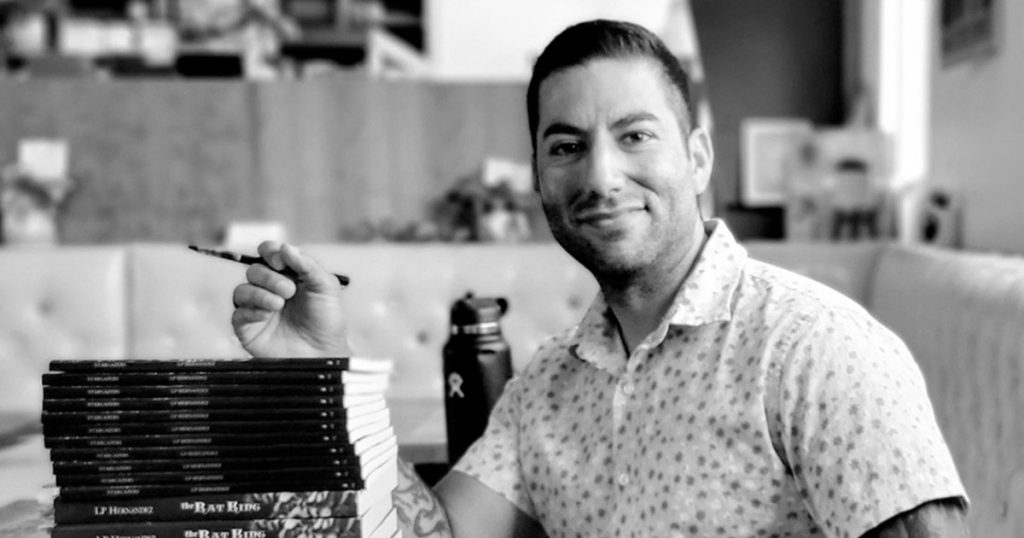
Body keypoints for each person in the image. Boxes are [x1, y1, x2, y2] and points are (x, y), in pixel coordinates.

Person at [230, 19, 969, 538]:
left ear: (699, 158)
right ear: (539, 177)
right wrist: (318, 376)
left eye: (636, 135)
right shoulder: (544, 387)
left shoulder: (816, 347)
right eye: (567, 145)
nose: (600, 175)